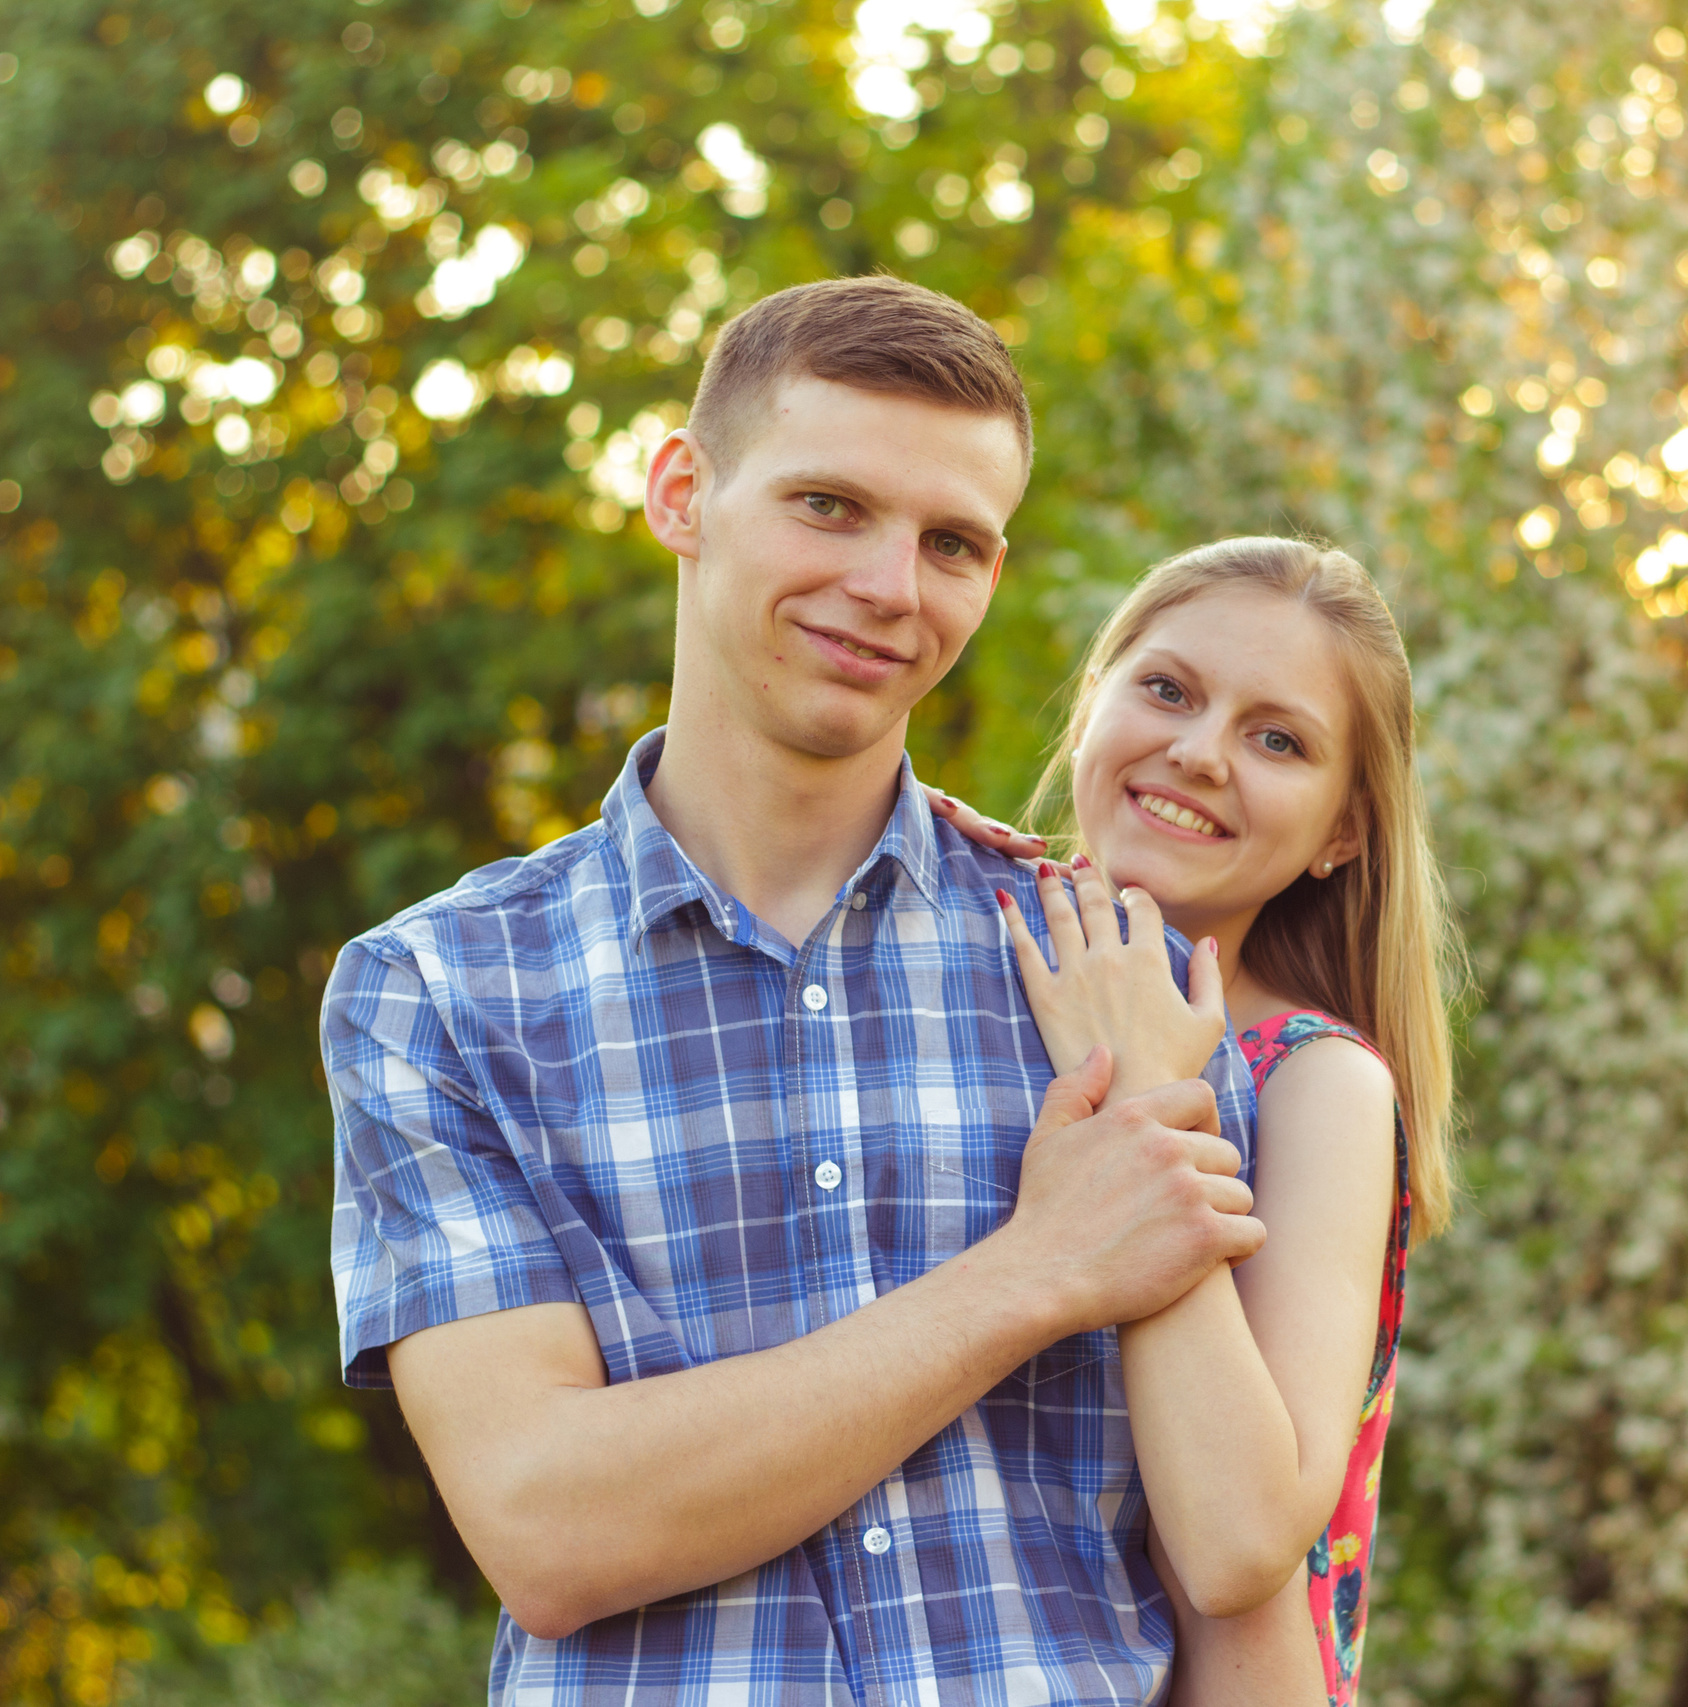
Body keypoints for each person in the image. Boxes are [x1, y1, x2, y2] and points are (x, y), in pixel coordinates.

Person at [322, 275, 1267, 1705]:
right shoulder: (441, 991)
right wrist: (1034, 1271)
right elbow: (549, 1523)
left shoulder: (1115, 971)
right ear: (682, 492)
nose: (892, 587)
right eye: (829, 505)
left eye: (953, 541)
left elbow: (1235, 1577)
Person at [935, 538, 1459, 1703]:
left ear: (1342, 832)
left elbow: (1236, 1546)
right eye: (1167, 690)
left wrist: (1144, 1098)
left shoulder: (1315, 1085)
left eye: (1278, 740)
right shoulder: (947, 957)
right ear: (1091, 709)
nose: (1199, 751)